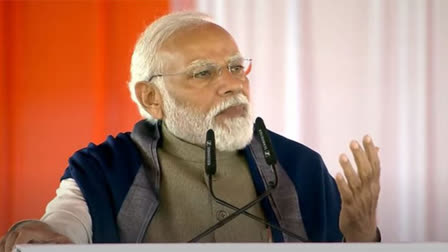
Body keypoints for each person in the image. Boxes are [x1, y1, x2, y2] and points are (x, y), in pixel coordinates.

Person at [0, 11, 381, 251]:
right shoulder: (104, 169)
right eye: (203, 72)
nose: (232, 84)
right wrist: (39, 233)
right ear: (151, 97)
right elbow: (63, 225)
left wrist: (363, 237)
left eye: (235, 67)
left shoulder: (299, 167)